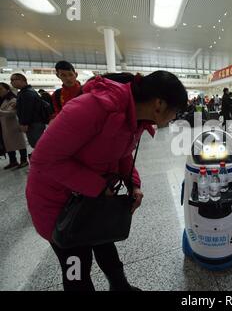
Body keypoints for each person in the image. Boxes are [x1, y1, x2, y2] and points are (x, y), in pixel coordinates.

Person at [26, 71, 188, 291]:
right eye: (175, 111)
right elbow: (44, 160)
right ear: (159, 104)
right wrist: (99, 188)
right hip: (59, 205)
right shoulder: (92, 108)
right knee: (76, 265)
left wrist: (134, 184)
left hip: (92, 201)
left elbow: (121, 152)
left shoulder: (135, 116)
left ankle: (120, 287)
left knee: (105, 242)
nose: (175, 117)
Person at [10, 73, 46, 150]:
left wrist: (24, 123)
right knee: (37, 144)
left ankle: (44, 160)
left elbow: (28, 110)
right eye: (11, 80)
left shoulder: (27, 93)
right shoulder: (26, 91)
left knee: (37, 144)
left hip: (33, 123)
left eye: (14, 80)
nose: (12, 82)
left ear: (23, 80)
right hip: (34, 122)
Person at [0, 83, 28, 170]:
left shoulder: (13, 99)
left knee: (19, 144)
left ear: (7, 89)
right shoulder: (1, 100)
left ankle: (24, 160)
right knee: (8, 144)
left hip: (13, 124)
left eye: (0, 89)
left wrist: (0, 112)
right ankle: (13, 161)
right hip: (4, 125)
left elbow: (12, 113)